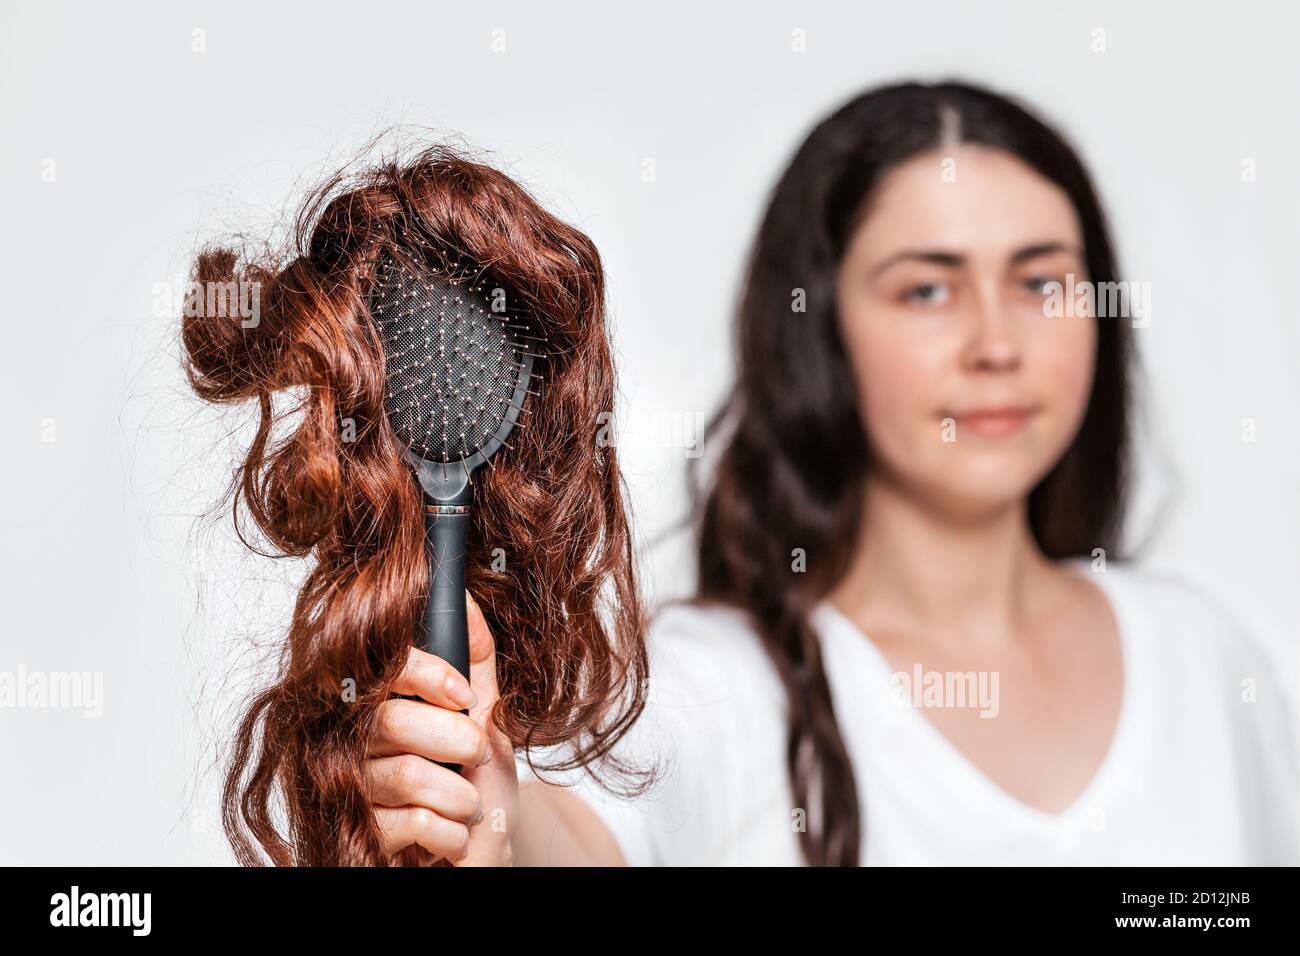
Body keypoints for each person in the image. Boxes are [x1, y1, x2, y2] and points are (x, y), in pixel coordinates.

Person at [365, 80, 1299, 866]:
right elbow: (574, 840)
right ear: (819, 334)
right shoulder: (714, 686)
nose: (997, 342)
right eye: (927, 288)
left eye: (1041, 282)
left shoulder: (1204, 660)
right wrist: (498, 810)